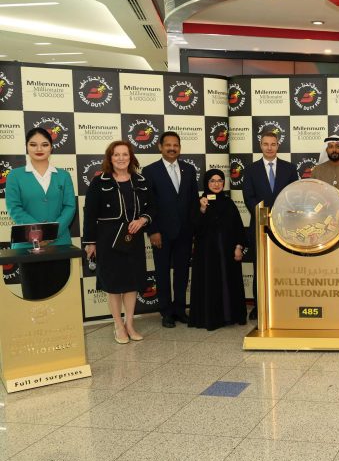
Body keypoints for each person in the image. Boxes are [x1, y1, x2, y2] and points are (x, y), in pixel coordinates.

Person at [83, 141, 154, 344]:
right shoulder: (99, 182)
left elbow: (153, 207)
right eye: (116, 154)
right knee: (113, 284)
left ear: (131, 157)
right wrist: (90, 242)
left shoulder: (141, 180)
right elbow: (90, 214)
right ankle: (118, 325)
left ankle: (129, 324)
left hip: (133, 238)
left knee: (132, 283)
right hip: (107, 240)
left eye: (125, 154)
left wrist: (143, 220)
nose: (121, 158)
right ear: (110, 158)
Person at [5, 127, 76, 299]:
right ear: (26, 147)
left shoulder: (63, 176)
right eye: (33, 144)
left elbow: (69, 206)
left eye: (44, 144)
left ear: (51, 147)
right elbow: (14, 208)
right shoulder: (15, 176)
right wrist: (39, 232)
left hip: (59, 244)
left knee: (61, 297)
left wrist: (52, 232)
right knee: (33, 297)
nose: (39, 149)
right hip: (27, 247)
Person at [141, 131, 197, 328]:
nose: (172, 148)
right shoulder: (150, 171)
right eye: (168, 145)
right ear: (160, 147)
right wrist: (153, 230)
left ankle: (180, 310)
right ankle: (166, 312)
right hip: (161, 233)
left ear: (180, 148)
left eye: (176, 145)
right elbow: (147, 204)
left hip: (185, 232)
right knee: (162, 272)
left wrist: (193, 231)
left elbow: (192, 202)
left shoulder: (189, 169)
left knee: (182, 273)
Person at [243, 130, 299, 319]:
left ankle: (283, 304)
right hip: (260, 225)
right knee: (260, 267)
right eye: (266, 144)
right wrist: (264, 216)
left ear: (278, 146)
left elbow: (293, 196)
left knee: (283, 266)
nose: (269, 148)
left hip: (284, 227)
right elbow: (248, 197)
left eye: (273, 144)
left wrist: (279, 216)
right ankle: (259, 306)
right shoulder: (251, 169)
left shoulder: (290, 168)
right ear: (260, 145)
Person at [189, 169, 247, 331]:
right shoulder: (199, 202)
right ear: (206, 183)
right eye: (212, 181)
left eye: (220, 180)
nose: (216, 184)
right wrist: (202, 209)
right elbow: (194, 229)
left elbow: (238, 228)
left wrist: (238, 247)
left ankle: (230, 316)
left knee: (229, 283)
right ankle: (212, 318)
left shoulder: (229, 203)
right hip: (206, 254)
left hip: (228, 252)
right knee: (210, 284)